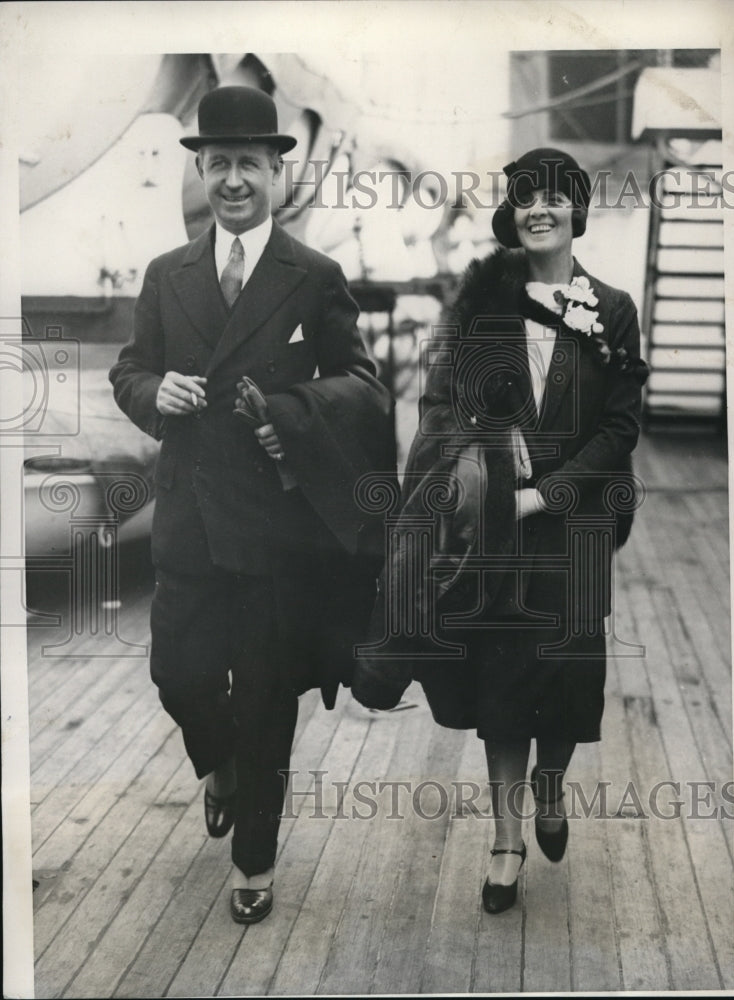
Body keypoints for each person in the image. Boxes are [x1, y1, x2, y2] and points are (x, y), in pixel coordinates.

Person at [109, 86, 395, 925]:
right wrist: (153, 389)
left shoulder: (315, 276)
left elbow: (365, 389)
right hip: (190, 523)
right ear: (202, 171)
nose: (233, 180)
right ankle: (220, 769)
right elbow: (129, 372)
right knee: (179, 676)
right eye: (219, 163)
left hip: (277, 530)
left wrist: (295, 423)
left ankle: (255, 862)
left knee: (269, 696)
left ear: (278, 171)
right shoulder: (169, 275)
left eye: (250, 165)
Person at [353, 147, 647, 913]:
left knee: (568, 681)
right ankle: (506, 840)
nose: (538, 209)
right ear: (512, 215)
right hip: (498, 535)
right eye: (524, 200)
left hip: (575, 526)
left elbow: (620, 427)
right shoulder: (487, 302)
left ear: (576, 211)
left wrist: (545, 494)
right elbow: (441, 402)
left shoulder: (612, 308)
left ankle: (553, 789)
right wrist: (486, 432)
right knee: (507, 682)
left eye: (552, 197)